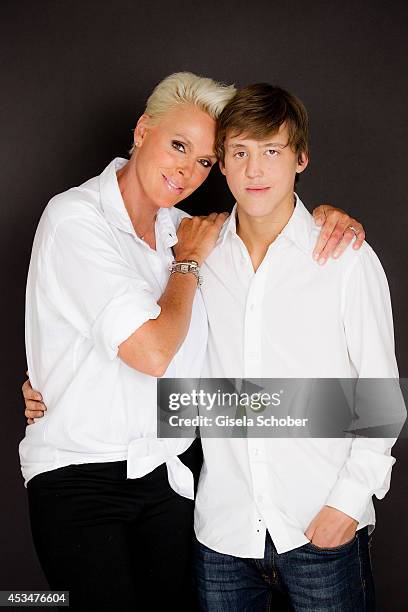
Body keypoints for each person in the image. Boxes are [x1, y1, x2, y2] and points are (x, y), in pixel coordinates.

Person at [21, 73, 364, 611]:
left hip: (171, 477)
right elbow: (155, 353)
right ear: (142, 130)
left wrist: (321, 218)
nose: (187, 169)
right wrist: (185, 265)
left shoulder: (185, 230)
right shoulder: (80, 220)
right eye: (179, 145)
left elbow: (214, 375)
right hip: (83, 478)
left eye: (204, 160)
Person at [192, 84, 399, 611]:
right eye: (239, 152)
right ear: (221, 164)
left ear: (300, 158)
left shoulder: (345, 259)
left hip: (320, 528)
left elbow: (380, 397)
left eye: (271, 151)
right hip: (225, 534)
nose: (254, 170)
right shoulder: (197, 254)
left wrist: (348, 504)